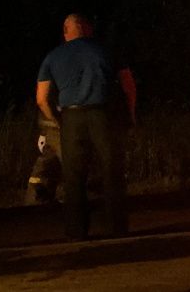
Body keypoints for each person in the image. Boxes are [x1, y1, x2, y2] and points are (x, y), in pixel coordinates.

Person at [35, 13, 137, 239]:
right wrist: (130, 114)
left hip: (71, 117)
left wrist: (55, 119)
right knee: (112, 170)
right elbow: (128, 85)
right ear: (87, 29)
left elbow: (41, 98)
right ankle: (117, 227)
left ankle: (76, 230)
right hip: (103, 115)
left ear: (65, 31)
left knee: (73, 175)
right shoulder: (106, 50)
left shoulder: (53, 56)